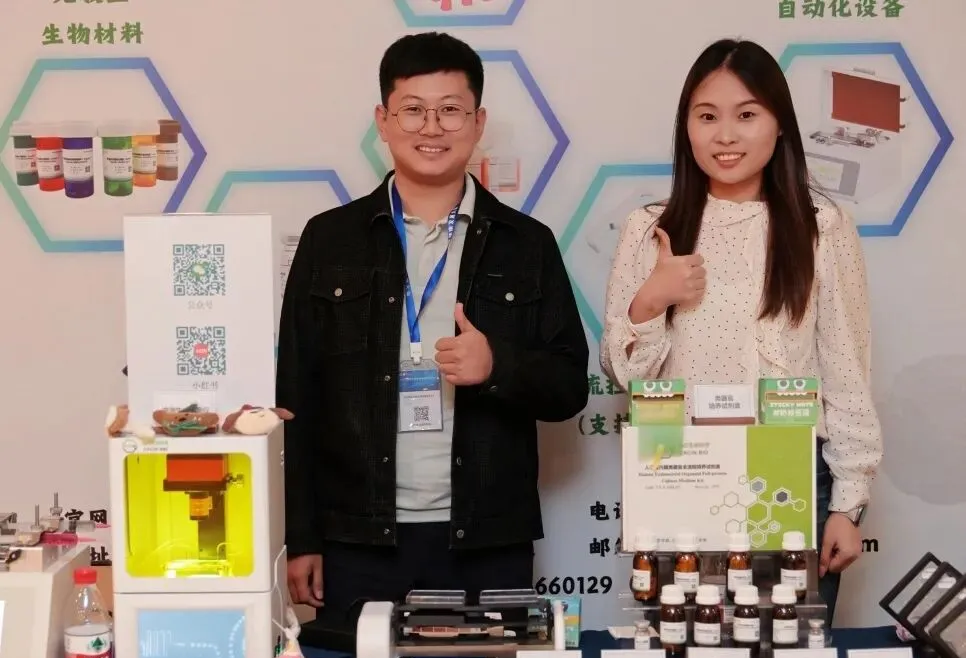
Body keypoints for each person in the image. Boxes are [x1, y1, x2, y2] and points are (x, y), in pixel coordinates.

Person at [277, 32, 589, 623]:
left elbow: (570, 386)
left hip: (486, 542)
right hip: (357, 539)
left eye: (450, 110)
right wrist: (302, 536)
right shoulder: (329, 240)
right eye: (413, 110)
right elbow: (297, 396)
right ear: (383, 121)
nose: (432, 127)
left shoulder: (526, 244)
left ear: (478, 123)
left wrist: (497, 366)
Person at [599, 38, 882, 625]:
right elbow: (627, 375)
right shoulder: (650, 229)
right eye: (707, 117)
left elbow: (847, 368)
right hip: (682, 473)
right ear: (686, 128)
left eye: (746, 115)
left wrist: (848, 504)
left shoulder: (821, 226)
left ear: (779, 125)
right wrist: (652, 298)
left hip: (791, 478)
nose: (725, 136)